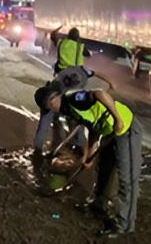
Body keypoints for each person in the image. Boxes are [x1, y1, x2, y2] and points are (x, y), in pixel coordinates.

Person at [35, 81, 143, 238]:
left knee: (127, 178)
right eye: (49, 108)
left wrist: (117, 118)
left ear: (55, 99)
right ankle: (99, 205)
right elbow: (92, 127)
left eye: (51, 105)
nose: (52, 109)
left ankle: (124, 223)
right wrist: (89, 155)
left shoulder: (74, 99)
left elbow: (99, 93)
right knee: (103, 170)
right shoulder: (68, 110)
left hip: (125, 128)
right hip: (108, 131)